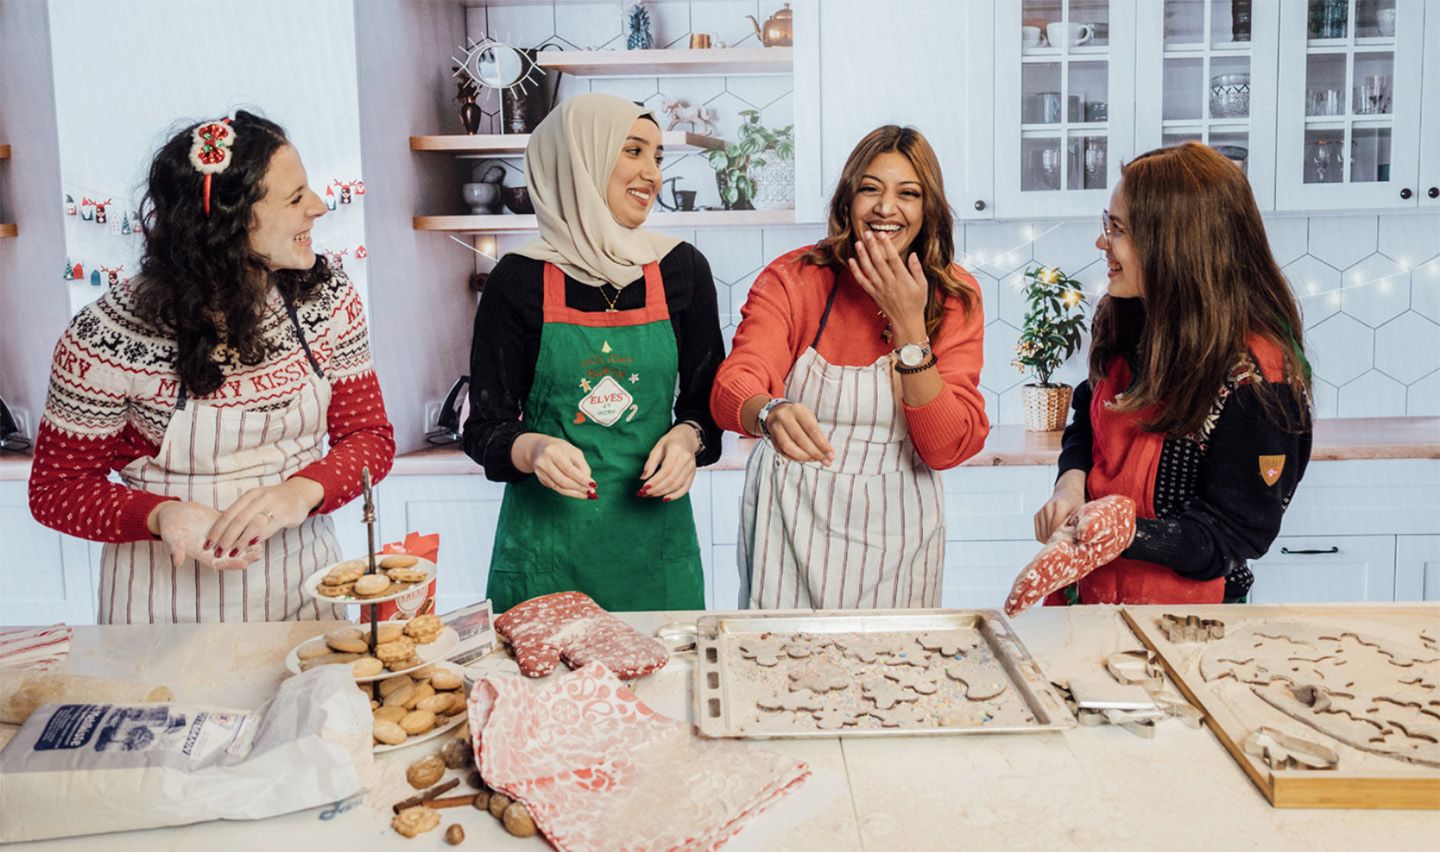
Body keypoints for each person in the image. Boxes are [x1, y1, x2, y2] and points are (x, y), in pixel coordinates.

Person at [29, 111, 395, 623]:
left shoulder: (327, 301)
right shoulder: (106, 335)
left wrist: (298, 494)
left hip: (303, 591)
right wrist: (159, 514)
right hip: (161, 607)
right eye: (294, 198)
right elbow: (56, 491)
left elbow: (370, 438)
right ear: (229, 222)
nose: (317, 207)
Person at [463, 93, 724, 613]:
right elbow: (483, 427)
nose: (651, 172)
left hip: (656, 554)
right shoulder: (518, 279)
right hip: (547, 553)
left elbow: (707, 407)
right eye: (632, 150)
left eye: (657, 157)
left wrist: (687, 438)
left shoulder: (682, 270)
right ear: (581, 159)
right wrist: (533, 450)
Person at [711, 125, 989, 609]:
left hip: (900, 528)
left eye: (908, 193)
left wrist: (908, 326)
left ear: (928, 210)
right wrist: (768, 412)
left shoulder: (953, 296)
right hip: (790, 524)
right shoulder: (796, 278)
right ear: (848, 199)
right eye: (870, 189)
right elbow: (734, 383)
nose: (886, 208)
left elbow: (946, 446)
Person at [1030, 141, 1312, 606]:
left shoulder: (1257, 381)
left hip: (1186, 624)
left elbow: (1235, 535)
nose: (1102, 241)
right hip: (1085, 599)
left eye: (1117, 229)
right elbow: (1089, 410)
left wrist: (1125, 533)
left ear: (1173, 243)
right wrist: (1071, 480)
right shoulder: (1127, 316)